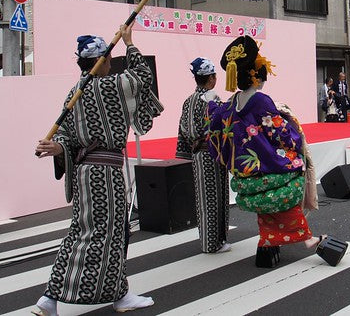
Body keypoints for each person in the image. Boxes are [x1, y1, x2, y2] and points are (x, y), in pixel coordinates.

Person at [33, 24, 162, 315]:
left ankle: (58, 297)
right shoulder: (111, 85)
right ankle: (73, 295)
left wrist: (59, 148)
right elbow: (143, 77)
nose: (110, 63)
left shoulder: (74, 94)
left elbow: (65, 135)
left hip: (83, 173)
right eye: (109, 58)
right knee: (111, 233)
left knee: (83, 232)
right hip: (105, 173)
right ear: (101, 61)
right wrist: (130, 43)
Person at [206, 36, 347, 268]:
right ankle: (311, 241)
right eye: (262, 74)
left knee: (267, 209)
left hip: (249, 172)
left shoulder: (231, 104)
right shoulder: (261, 100)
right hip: (271, 166)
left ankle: (267, 245)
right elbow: (280, 133)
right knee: (287, 199)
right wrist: (294, 134)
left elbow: (218, 127)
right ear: (256, 76)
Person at [176, 57, 230, 254]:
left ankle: (208, 240)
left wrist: (185, 152)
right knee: (215, 198)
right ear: (211, 79)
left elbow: (181, 129)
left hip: (197, 154)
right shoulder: (211, 99)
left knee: (203, 199)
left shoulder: (187, 101)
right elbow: (223, 125)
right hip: (212, 153)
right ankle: (214, 243)